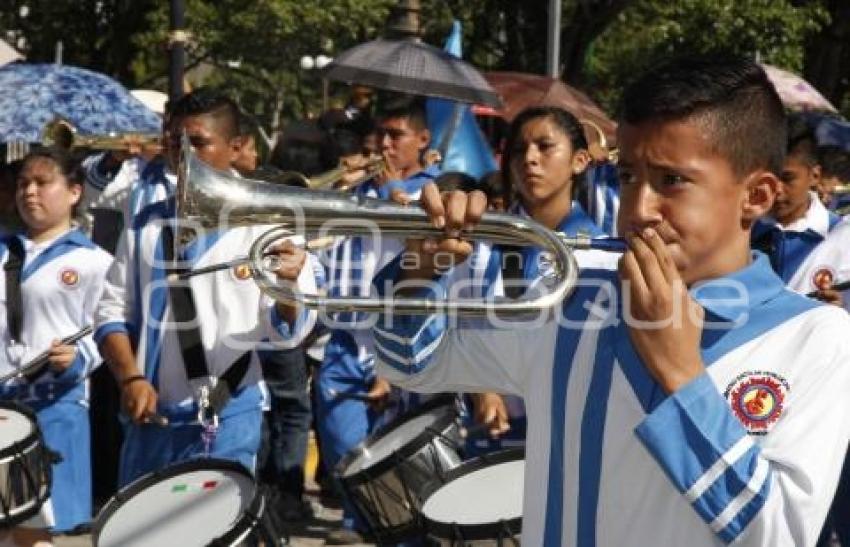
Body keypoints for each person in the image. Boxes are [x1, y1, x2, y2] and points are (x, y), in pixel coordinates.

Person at [371, 55, 850, 545]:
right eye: (627, 177)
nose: (638, 209)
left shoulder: (815, 337)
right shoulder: (577, 296)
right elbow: (410, 362)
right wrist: (420, 271)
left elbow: (778, 536)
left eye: (672, 181)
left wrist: (683, 379)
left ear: (757, 195)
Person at [94, 88, 317, 486]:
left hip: (229, 412)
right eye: (174, 141)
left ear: (235, 148)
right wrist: (130, 378)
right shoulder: (144, 220)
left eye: (197, 142)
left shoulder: (268, 224)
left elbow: (289, 332)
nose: (182, 153)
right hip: (151, 416)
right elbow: (111, 311)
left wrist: (288, 285)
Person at [314, 94, 439, 545]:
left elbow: (424, 232)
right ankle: (358, 520)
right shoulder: (354, 192)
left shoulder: (436, 188)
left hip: (402, 336)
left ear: (423, 140)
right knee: (341, 439)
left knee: (397, 449)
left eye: (396, 135)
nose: (385, 145)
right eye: (381, 135)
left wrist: (389, 192)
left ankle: (387, 527)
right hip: (347, 336)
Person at [0, 148, 113, 537]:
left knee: (38, 527)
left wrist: (77, 358)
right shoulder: (2, 250)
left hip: (54, 403)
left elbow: (108, 330)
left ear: (74, 193)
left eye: (43, 182)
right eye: (23, 183)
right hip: (1, 402)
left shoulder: (94, 261)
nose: (29, 192)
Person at [751, 114, 841, 282]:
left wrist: (839, 307)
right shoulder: (741, 227)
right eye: (767, 177)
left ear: (814, 176)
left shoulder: (840, 237)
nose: (775, 189)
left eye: (787, 178)